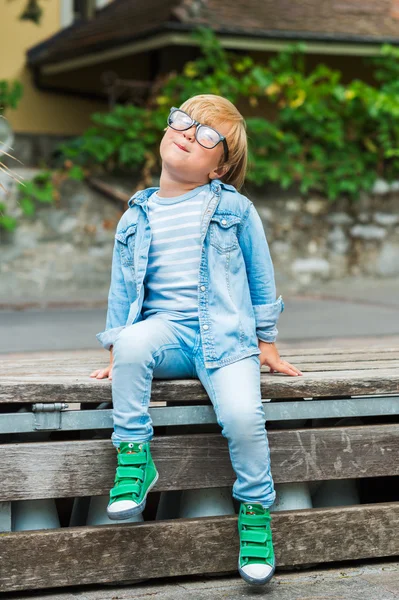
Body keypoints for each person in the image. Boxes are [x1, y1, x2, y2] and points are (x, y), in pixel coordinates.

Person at [90, 94, 303, 586]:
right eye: (184, 122)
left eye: (209, 136)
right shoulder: (136, 216)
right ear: (166, 131)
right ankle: (134, 458)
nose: (190, 133)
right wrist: (116, 350)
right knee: (133, 346)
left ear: (219, 168)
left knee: (244, 417)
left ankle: (254, 513)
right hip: (167, 332)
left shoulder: (234, 208)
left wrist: (266, 342)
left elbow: (260, 273)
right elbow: (122, 288)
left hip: (226, 338)